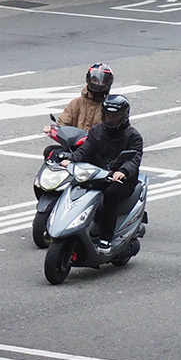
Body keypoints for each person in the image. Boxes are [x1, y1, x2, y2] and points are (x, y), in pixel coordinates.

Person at [65, 94, 142, 249]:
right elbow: (86, 148)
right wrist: (71, 160)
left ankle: (106, 237)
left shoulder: (133, 136)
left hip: (121, 180)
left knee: (110, 196)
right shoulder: (97, 131)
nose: (111, 119)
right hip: (98, 174)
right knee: (75, 186)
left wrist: (123, 171)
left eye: (116, 116)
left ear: (124, 116)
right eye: (108, 115)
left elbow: (134, 159)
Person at [46, 62, 113, 138]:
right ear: (89, 80)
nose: (98, 84)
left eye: (102, 82)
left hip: (98, 146)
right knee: (50, 150)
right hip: (75, 143)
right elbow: (63, 124)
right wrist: (54, 129)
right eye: (95, 80)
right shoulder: (76, 102)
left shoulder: (110, 107)